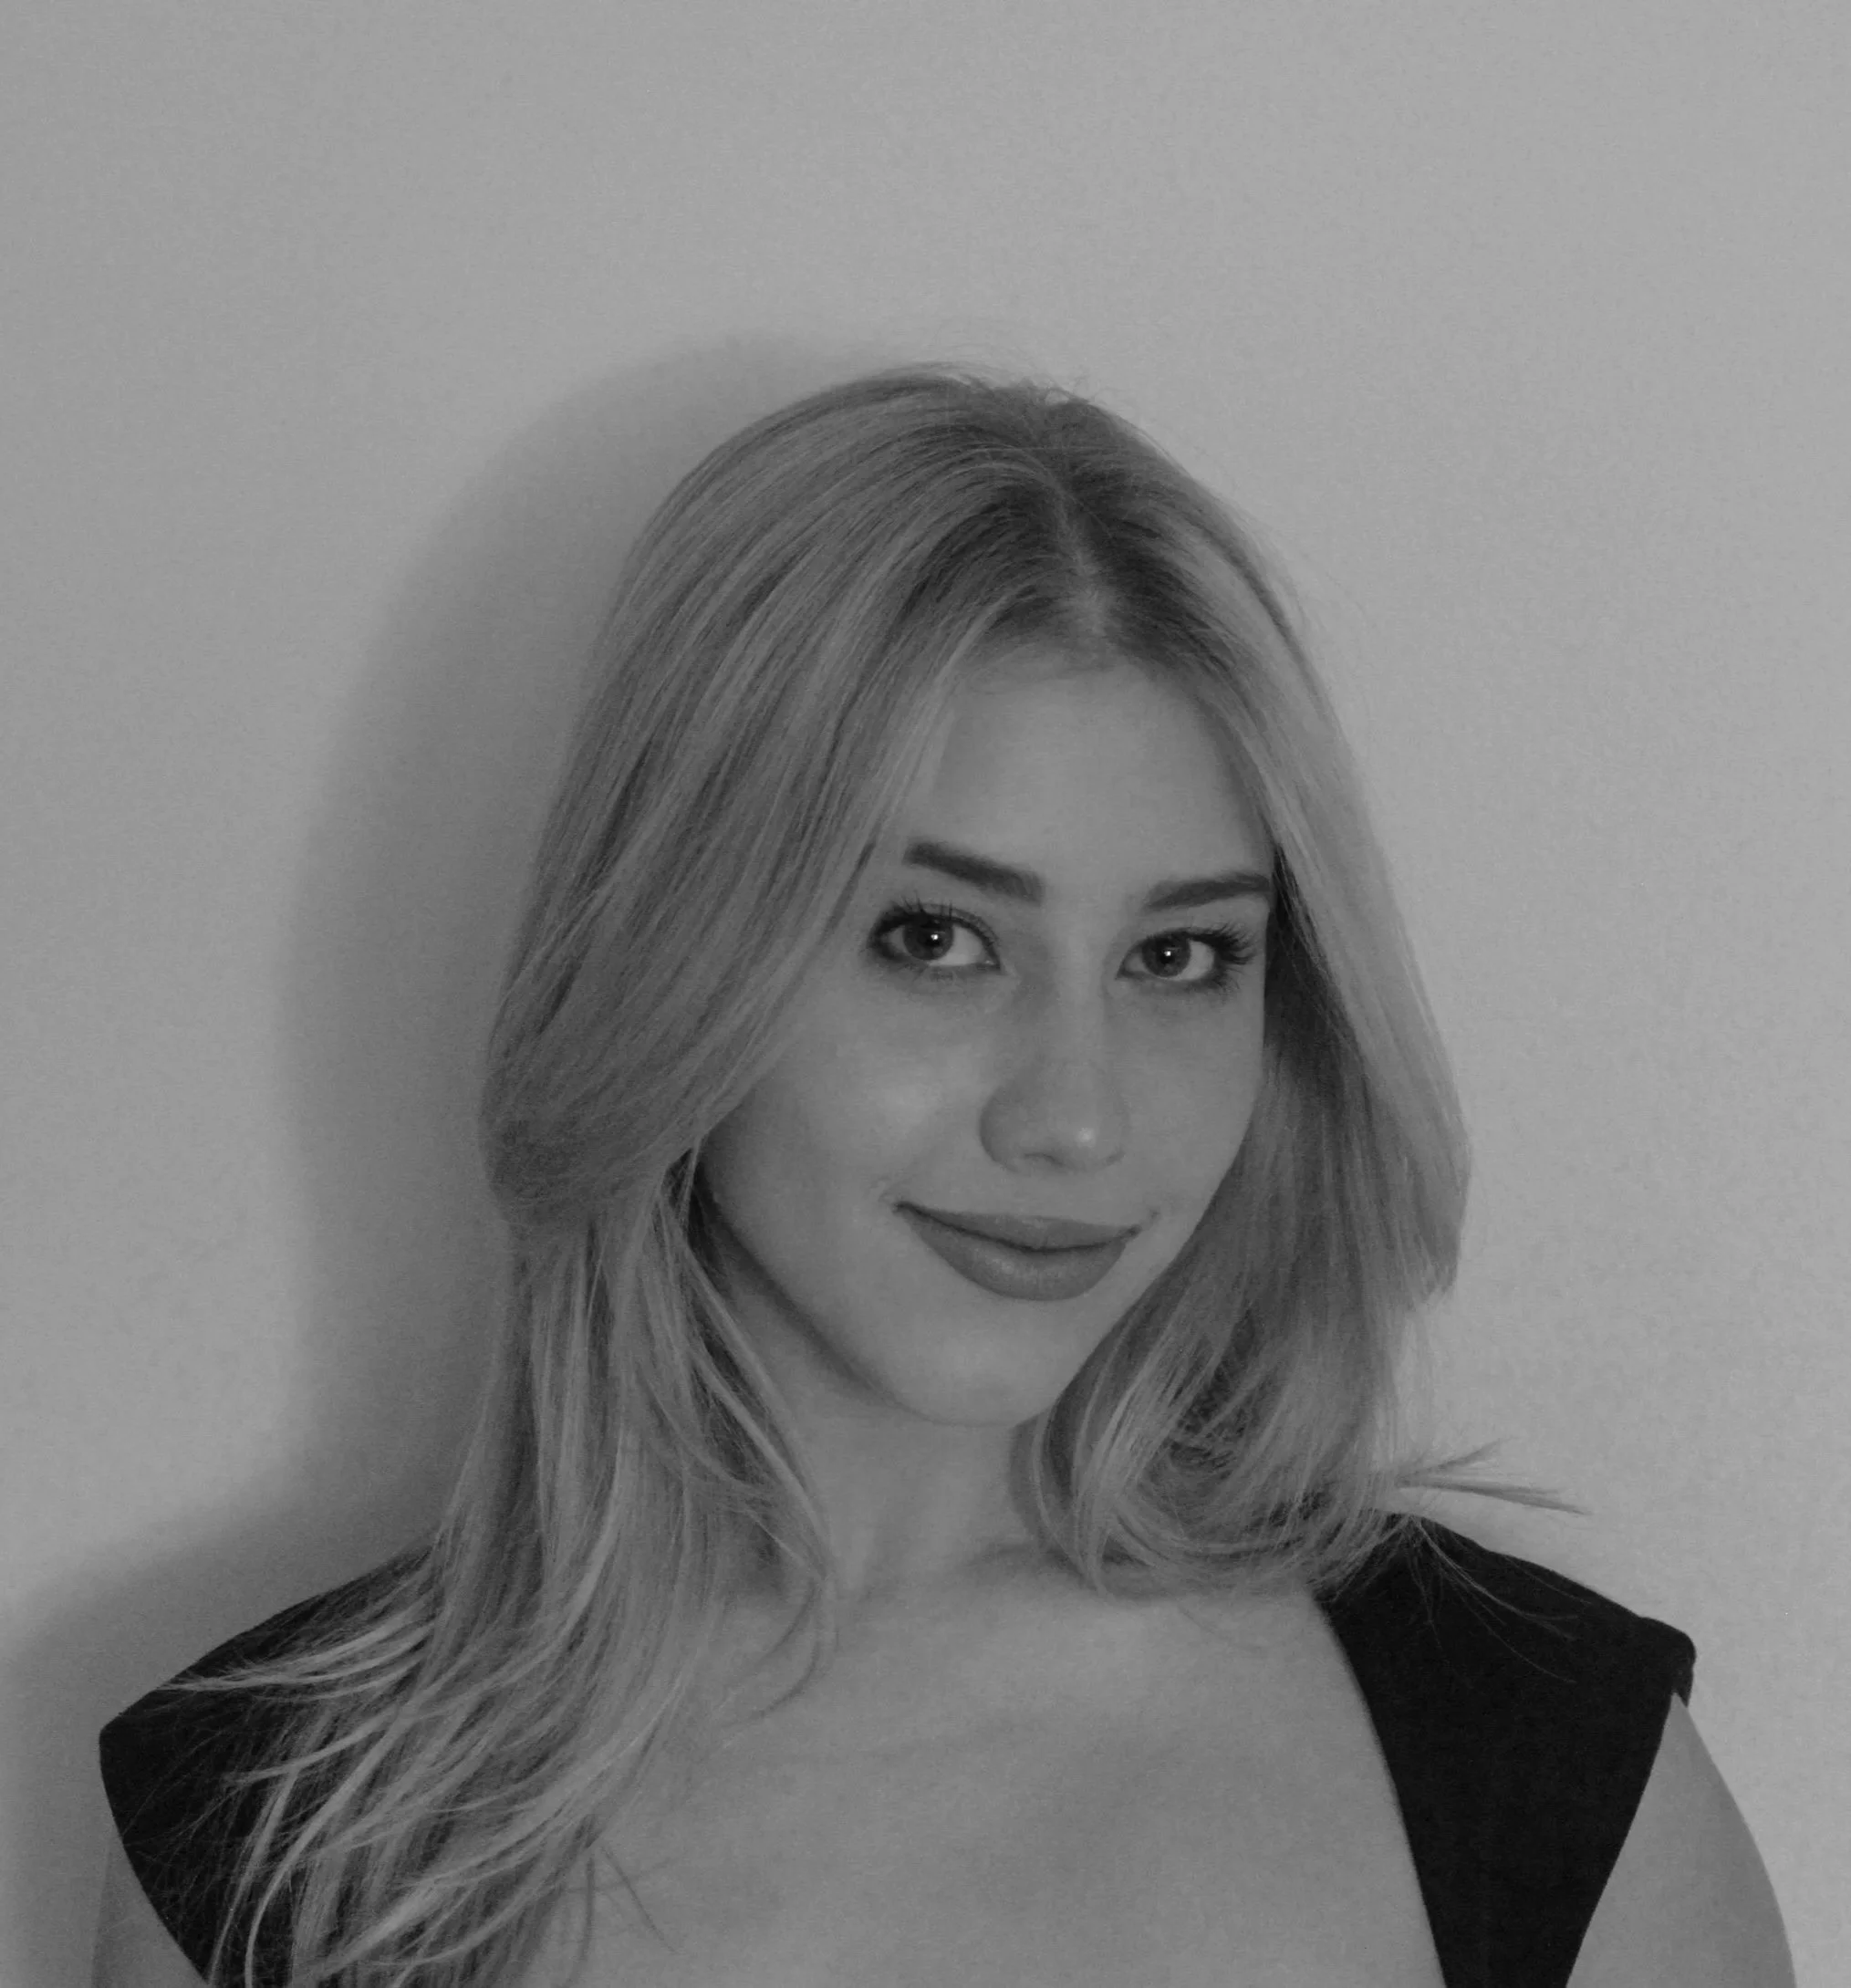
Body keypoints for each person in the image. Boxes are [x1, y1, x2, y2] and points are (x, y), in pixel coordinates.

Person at [92, 366, 1794, 1988]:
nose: (1074, 1120)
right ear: (677, 953)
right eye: (936, 937)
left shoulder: (1549, 1769)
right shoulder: (271, 1829)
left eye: (1184, 954)